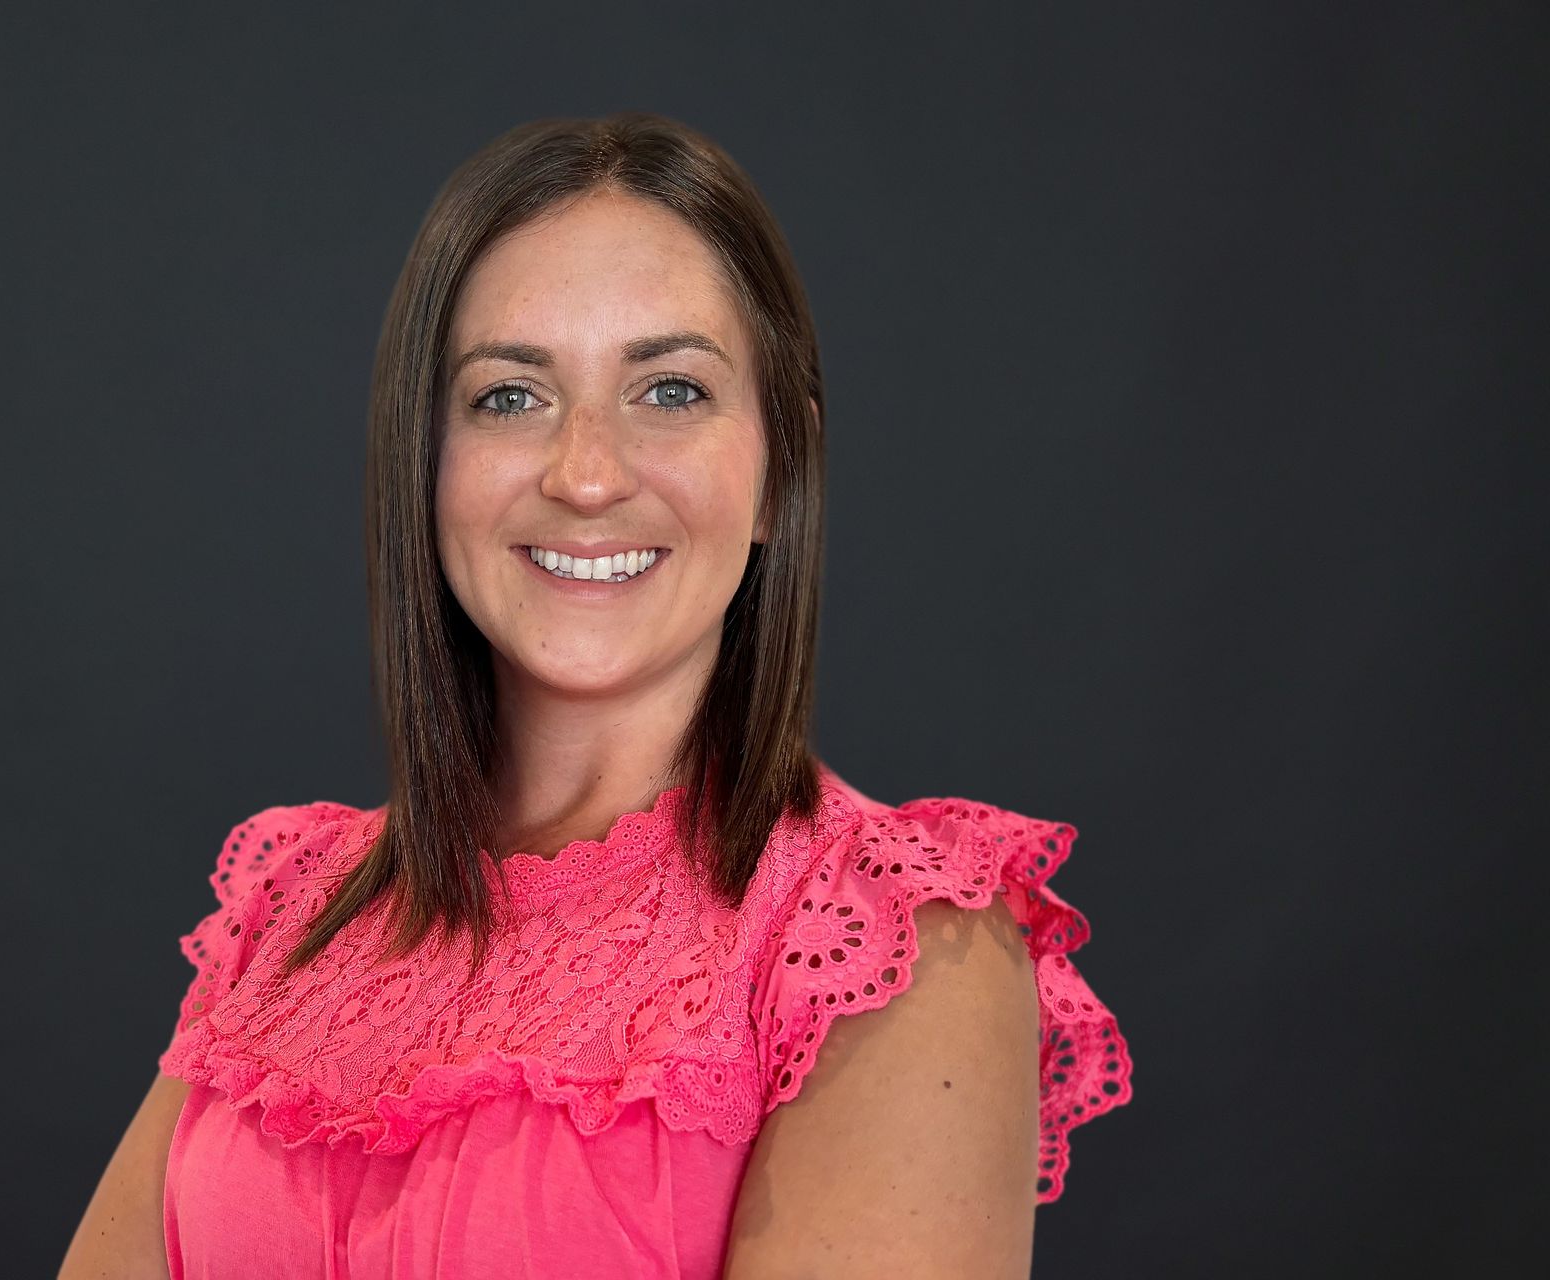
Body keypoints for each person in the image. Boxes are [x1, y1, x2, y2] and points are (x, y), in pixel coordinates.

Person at [59, 111, 1132, 1280]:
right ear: (425, 462)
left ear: (783, 467)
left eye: (670, 390)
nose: (584, 474)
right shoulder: (288, 909)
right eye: (509, 397)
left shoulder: (896, 941)